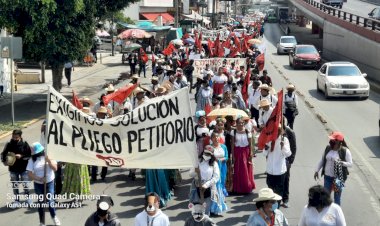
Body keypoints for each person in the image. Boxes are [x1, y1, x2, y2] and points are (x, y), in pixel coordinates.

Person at [27, 142, 61, 226]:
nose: (38, 154)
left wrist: (49, 161)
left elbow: (55, 168)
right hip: (38, 184)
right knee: (41, 203)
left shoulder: (49, 155)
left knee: (50, 202)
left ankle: (54, 217)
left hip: (49, 182)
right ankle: (42, 222)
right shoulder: (32, 160)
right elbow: (30, 174)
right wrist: (40, 179)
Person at [314, 132, 352, 205]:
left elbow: (350, 164)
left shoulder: (345, 151)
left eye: (333, 140)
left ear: (338, 142)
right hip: (327, 177)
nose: (331, 141)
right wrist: (316, 171)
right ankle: (325, 213)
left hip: (339, 178)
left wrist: (341, 163)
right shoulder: (328, 148)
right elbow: (322, 160)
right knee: (325, 197)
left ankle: (336, 215)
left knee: (337, 198)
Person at [1, 129, 32, 207]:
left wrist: (21, 156)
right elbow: (3, 154)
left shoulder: (25, 144)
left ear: (20, 137)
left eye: (16, 137)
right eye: (13, 137)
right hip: (13, 169)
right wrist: (4, 161)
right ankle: (16, 201)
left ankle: (28, 198)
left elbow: (29, 155)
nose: (14, 139)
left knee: (25, 184)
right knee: (15, 185)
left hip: (24, 168)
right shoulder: (9, 144)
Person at [264, 124, 291, 208]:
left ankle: (276, 208)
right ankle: (271, 207)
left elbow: (288, 154)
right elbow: (264, 154)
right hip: (270, 170)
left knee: (279, 192)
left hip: (280, 170)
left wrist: (283, 147)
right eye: (275, 130)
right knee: (271, 190)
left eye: (279, 130)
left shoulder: (284, 140)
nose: (277, 132)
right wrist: (266, 148)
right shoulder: (269, 139)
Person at [189, 145, 220, 216]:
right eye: (205, 153)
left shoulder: (214, 164)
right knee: (197, 209)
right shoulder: (197, 162)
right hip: (197, 187)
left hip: (208, 188)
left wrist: (206, 185)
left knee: (206, 208)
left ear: (212, 155)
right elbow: (190, 174)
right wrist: (195, 172)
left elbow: (216, 177)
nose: (206, 155)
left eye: (209, 154)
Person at [230, 117, 255, 194]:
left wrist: (251, 153)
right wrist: (233, 155)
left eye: (242, 123)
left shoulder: (247, 132)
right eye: (239, 123)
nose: (240, 124)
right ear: (236, 124)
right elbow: (232, 144)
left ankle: (247, 187)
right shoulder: (233, 132)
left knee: (246, 169)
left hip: (246, 152)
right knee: (238, 170)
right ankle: (238, 188)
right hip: (237, 152)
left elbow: (250, 144)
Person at [210, 132, 228, 215]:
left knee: (222, 184)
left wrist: (221, 160)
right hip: (214, 168)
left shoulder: (223, 146)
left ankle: (221, 200)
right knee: (215, 185)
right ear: (211, 139)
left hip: (223, 167)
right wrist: (214, 160)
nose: (216, 138)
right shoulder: (210, 148)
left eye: (217, 136)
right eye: (214, 137)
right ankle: (215, 205)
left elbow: (227, 156)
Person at [282, 123, 297, 208]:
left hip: (286, 160)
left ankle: (285, 199)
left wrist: (290, 161)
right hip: (277, 160)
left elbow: (294, 147)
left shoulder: (290, 132)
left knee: (286, 179)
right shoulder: (275, 130)